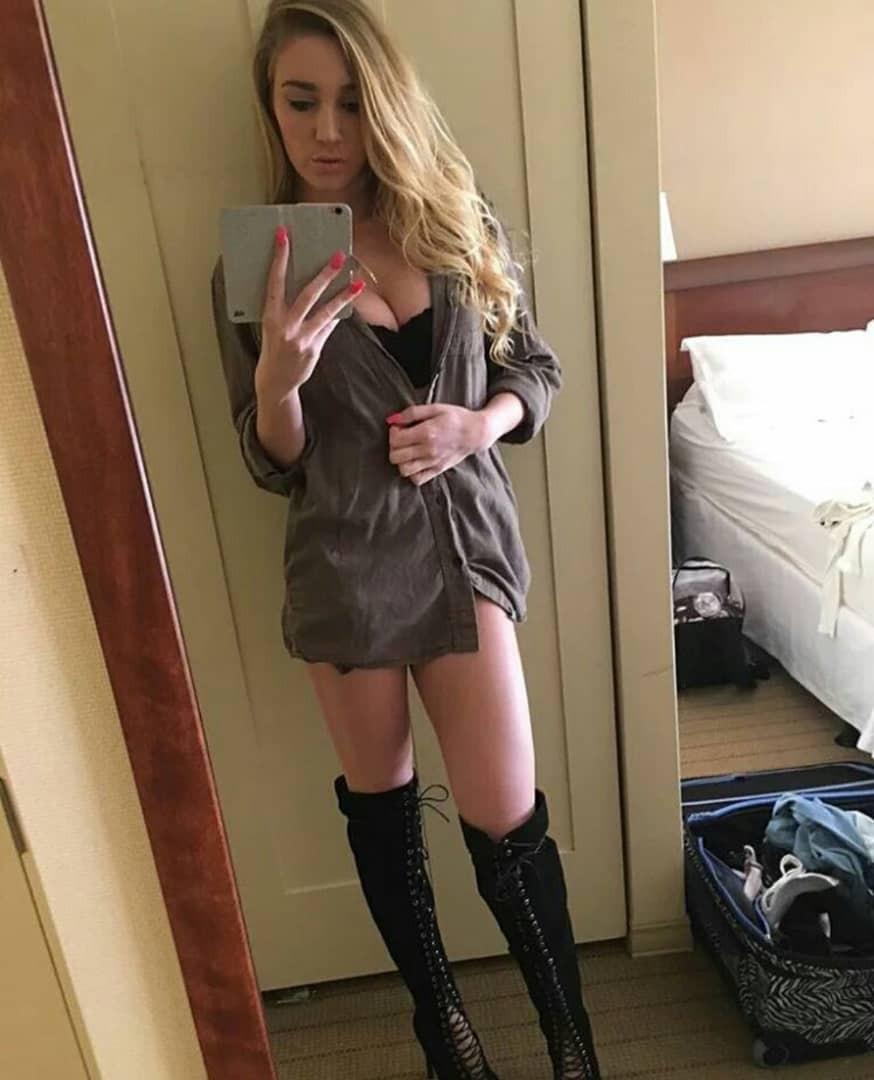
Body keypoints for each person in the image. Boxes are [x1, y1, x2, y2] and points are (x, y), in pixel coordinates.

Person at [210, 2, 601, 1077]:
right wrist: (279, 382)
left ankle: (574, 1050)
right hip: (345, 572)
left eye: (351, 102)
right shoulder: (258, 266)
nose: (327, 130)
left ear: (385, 105)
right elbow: (271, 460)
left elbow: (536, 368)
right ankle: (449, 1038)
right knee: (384, 822)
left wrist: (479, 423)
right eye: (301, 102)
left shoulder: (452, 220)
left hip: (465, 558)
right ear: (270, 107)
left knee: (509, 830)